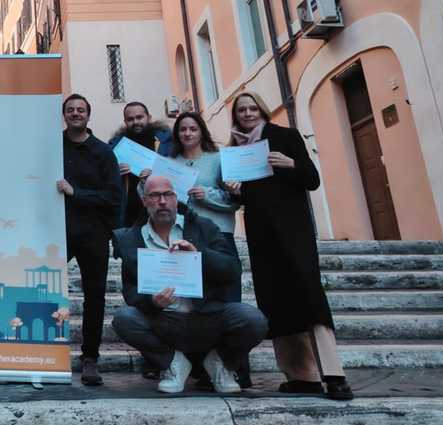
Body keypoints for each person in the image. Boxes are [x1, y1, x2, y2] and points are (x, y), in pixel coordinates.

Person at [224, 91, 353, 401]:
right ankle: (301, 376)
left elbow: (312, 179)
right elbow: (244, 198)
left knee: (309, 295)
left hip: (294, 229)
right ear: (236, 116)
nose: (248, 114)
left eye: (253, 108)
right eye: (242, 110)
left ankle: (334, 375)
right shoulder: (234, 150)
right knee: (275, 298)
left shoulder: (285, 136)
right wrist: (234, 191)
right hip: (261, 232)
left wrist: (291, 163)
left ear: (262, 110)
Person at [111, 176, 267, 395]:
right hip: (164, 320)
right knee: (125, 318)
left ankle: (220, 363)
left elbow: (232, 271)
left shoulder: (204, 227)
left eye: (167, 195)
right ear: (145, 201)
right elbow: (130, 290)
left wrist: (199, 254)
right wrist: (151, 301)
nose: (162, 201)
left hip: (208, 316)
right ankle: (173, 363)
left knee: (254, 319)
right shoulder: (131, 238)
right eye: (155, 195)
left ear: (176, 199)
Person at [169, 111, 250, 387]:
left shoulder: (218, 159)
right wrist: (144, 183)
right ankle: (204, 372)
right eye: (182, 129)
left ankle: (235, 369)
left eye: (192, 128)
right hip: (184, 239)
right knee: (196, 306)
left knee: (227, 302)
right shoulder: (170, 163)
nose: (187, 133)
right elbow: (156, 199)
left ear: (201, 131)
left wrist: (208, 194)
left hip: (218, 237)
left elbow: (235, 199)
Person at [56, 93, 121, 386]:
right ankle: (40, 352)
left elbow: (113, 197)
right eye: (70, 110)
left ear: (88, 115)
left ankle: (90, 358)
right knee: (43, 289)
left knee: (94, 296)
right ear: (64, 116)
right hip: (56, 230)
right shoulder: (52, 146)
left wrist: (76, 193)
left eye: (80, 109)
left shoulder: (103, 152)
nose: (75, 113)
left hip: (93, 231)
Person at [108, 102, 174, 228]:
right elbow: (103, 178)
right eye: (130, 119)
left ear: (149, 117)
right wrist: (114, 172)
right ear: (125, 121)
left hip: (161, 209)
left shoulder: (167, 142)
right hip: (128, 213)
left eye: (139, 117)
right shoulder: (116, 146)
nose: (135, 122)